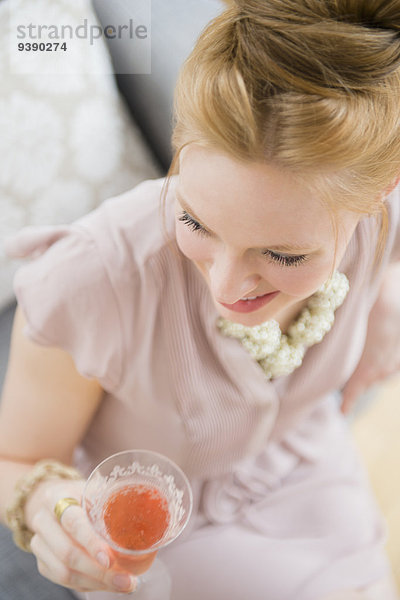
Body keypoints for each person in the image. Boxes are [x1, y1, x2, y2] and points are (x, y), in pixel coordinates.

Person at [1, 1, 400, 598]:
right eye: (195, 222)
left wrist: (385, 303)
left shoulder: (377, 215)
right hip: (164, 537)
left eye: (284, 256)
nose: (225, 288)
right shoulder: (89, 281)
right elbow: (16, 461)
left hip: (306, 473)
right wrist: (46, 507)